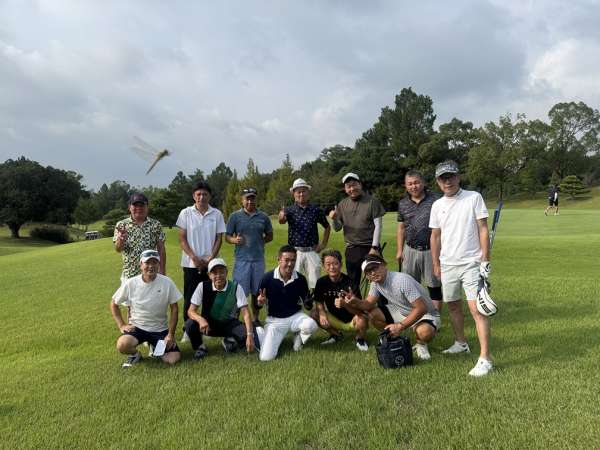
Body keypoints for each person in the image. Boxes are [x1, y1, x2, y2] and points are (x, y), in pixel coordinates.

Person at [429, 160, 493, 377]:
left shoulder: (473, 197)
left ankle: (485, 359)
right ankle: (460, 343)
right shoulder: (437, 205)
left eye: (451, 176)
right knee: (454, 306)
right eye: (443, 178)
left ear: (458, 177)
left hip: (471, 263)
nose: (447, 181)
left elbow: (483, 229)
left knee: (477, 309)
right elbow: (435, 236)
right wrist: (436, 263)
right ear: (438, 182)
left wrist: (485, 260)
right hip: (448, 264)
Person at [339, 254, 440, 361]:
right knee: (373, 314)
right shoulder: (375, 283)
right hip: (402, 310)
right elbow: (368, 304)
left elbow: (421, 308)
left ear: (384, 265)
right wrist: (355, 301)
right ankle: (394, 338)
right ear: (367, 276)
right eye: (368, 272)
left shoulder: (401, 281)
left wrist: (400, 326)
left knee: (424, 332)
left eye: (375, 268)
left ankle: (421, 344)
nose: (373, 273)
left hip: (426, 314)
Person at [110, 249, 182, 368]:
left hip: (160, 330)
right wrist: (122, 325)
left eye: (154, 262)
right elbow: (114, 303)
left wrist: (170, 335)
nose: (151, 266)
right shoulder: (131, 283)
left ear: (159, 264)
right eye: (147, 263)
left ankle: (155, 347)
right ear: (141, 265)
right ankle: (135, 355)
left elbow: (174, 309)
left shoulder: (167, 282)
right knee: (122, 345)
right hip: (137, 328)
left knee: (172, 359)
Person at [176, 181, 226, 342]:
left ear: (209, 196)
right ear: (194, 196)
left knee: (210, 295)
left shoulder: (216, 214)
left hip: (211, 264)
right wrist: (194, 258)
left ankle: (207, 328)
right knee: (190, 297)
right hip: (191, 263)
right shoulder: (185, 213)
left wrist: (210, 259)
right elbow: (182, 239)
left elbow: (219, 239)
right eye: (198, 194)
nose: (202, 197)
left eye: (205, 194)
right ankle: (188, 329)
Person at [256, 245, 318, 361]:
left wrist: (309, 302)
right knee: (266, 358)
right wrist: (260, 302)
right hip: (275, 321)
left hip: (295, 317)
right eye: (287, 260)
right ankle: (261, 333)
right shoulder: (267, 278)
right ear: (279, 260)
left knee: (311, 325)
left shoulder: (300, 279)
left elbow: (307, 306)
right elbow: (256, 305)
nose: (290, 264)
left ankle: (298, 337)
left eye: (293, 260)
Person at [184, 258, 256, 359]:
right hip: (208, 325)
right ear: (209, 275)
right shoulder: (202, 286)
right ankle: (200, 347)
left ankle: (229, 340)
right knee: (190, 324)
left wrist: (249, 335)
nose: (218, 276)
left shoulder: (236, 287)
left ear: (226, 272)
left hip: (229, 324)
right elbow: (190, 311)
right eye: (214, 273)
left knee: (248, 336)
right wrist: (201, 320)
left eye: (221, 272)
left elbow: (246, 313)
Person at [329, 173, 386, 297]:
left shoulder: (372, 201)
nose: (352, 189)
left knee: (378, 280)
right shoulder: (342, 204)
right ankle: (357, 307)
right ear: (345, 189)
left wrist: (375, 248)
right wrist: (334, 219)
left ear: (360, 184)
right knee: (353, 283)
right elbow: (337, 228)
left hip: (370, 247)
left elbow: (378, 226)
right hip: (352, 248)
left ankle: (382, 307)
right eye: (348, 186)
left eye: (354, 185)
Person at [226, 187, 273, 327]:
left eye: (252, 199)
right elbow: (227, 236)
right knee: (238, 292)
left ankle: (256, 319)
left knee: (257, 291)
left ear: (256, 200)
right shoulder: (235, 216)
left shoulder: (263, 217)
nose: (250, 201)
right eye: (247, 199)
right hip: (242, 261)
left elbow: (270, 235)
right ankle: (234, 320)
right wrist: (234, 240)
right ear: (242, 200)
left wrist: (260, 241)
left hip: (258, 260)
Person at [396, 170, 443, 311]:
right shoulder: (402, 204)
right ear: (405, 185)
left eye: (416, 182)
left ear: (423, 183)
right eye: (410, 184)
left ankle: (435, 317)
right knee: (409, 285)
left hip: (431, 250)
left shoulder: (436, 199)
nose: (413, 186)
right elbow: (401, 228)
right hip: (410, 249)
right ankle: (414, 315)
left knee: (434, 285)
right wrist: (400, 250)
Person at [311, 249, 369, 351]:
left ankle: (360, 339)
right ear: (324, 266)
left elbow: (360, 312)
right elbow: (319, 301)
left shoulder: (350, 283)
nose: (332, 267)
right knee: (314, 313)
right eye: (328, 264)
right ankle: (336, 335)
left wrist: (345, 304)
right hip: (335, 319)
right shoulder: (321, 282)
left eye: (335, 263)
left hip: (352, 321)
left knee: (363, 318)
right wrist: (322, 312)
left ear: (341, 264)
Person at [278, 178, 331, 290]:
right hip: (294, 252)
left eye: (304, 191)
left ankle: (314, 302)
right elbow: (282, 221)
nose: (301, 194)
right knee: (292, 282)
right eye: (298, 192)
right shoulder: (289, 210)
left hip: (312, 251)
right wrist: (281, 217)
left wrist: (323, 244)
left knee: (315, 284)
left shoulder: (316, 210)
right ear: (294, 194)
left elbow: (327, 226)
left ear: (308, 192)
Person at [113, 192, 166, 282]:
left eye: (142, 205)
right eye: (135, 205)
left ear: (147, 207)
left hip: (150, 274)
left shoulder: (155, 225)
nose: (138, 208)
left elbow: (161, 249)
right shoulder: (121, 225)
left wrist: (162, 271)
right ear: (129, 207)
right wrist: (120, 240)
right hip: (129, 275)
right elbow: (118, 249)